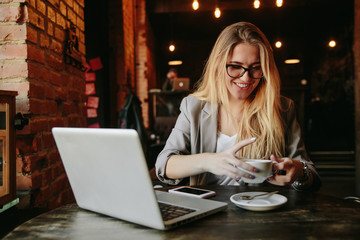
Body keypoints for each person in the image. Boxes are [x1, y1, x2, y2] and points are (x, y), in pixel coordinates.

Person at [155, 22, 321, 190]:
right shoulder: (193, 107)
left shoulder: (282, 108)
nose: (245, 78)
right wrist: (209, 161)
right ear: (218, 65)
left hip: (262, 211)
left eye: (256, 68)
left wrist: (299, 172)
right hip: (210, 209)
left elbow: (311, 173)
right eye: (235, 67)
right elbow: (164, 165)